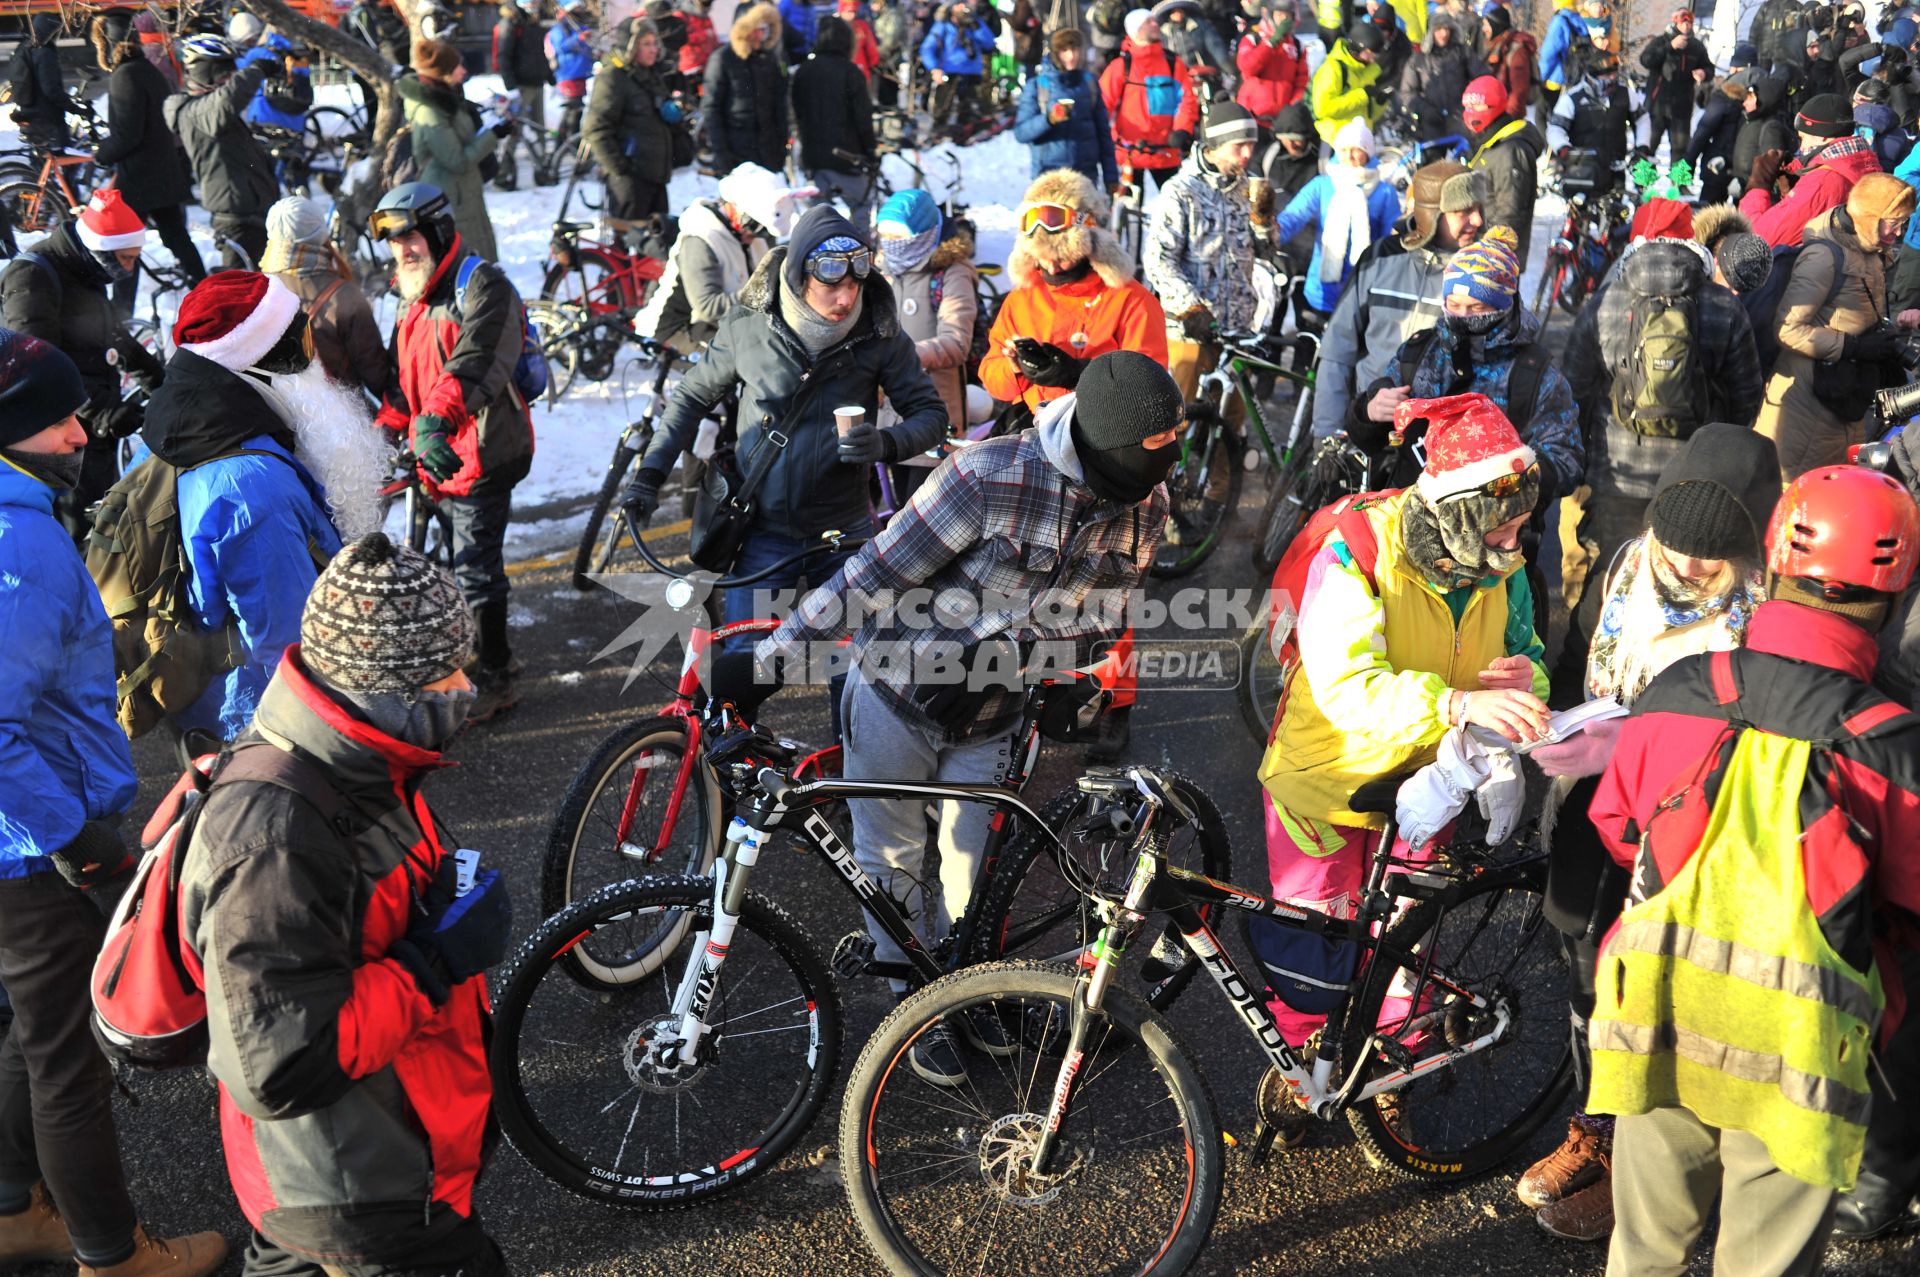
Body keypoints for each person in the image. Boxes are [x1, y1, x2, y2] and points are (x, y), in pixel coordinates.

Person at [747, 351, 1178, 1084]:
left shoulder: (1149, 502)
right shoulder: (986, 475)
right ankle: (909, 1008)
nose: (1128, 503)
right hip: (895, 693)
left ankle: (965, 989)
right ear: (1084, 445)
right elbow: (874, 573)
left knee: (971, 876)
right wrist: (769, 664)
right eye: (1115, 486)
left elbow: (1107, 620)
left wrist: (1013, 658)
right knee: (889, 862)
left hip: (995, 716)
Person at [1586, 464, 1920, 1276]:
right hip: (1798, 1050)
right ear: (1898, 590)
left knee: (1644, 1249)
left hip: (1658, 1011)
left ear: (1770, 560)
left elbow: (1616, 827)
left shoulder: (1678, 691)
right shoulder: (1892, 745)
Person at [181, 533, 509, 1277]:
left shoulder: (354, 760)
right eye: (444, 672)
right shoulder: (277, 837)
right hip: (359, 1194)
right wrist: (433, 962)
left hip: (363, 1164)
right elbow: (277, 1062)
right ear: (381, 689)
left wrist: (436, 905)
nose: (464, 686)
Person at [0, 331, 229, 1277]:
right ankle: (112, 1253)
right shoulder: (19, 545)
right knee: (68, 1063)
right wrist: (73, 836)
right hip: (34, 853)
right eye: (55, 420)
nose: (77, 431)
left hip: (26, 846)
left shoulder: (23, 516)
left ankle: (16, 1210)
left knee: (24, 1035)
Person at [1517, 425, 1780, 1246]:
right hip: (1596, 795)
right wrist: (1555, 723)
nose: (1686, 564)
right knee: (1578, 955)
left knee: (1656, 992)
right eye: (1676, 542)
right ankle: (1595, 1111)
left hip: (1690, 832)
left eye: (1711, 555)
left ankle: (1615, 1149)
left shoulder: (1770, 611)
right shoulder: (1629, 561)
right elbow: (1576, 653)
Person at [1257, 392, 1549, 1121]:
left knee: (1404, 939)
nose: (1518, 541)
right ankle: (1304, 1070)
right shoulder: (1354, 554)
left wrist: (1524, 680)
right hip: (1324, 783)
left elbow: (1532, 659)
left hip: (1429, 785)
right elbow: (1346, 685)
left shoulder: (1503, 564)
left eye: (1522, 523)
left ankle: (1393, 1059)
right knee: (1315, 940)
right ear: (1456, 512)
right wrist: (1454, 705)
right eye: (1503, 524)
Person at [621, 205, 950, 737]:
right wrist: (648, 476)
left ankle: (852, 793)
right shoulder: (751, 323)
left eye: (855, 287)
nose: (846, 301)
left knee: (858, 682)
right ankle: (732, 797)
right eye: (831, 289)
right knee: (739, 680)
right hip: (763, 534)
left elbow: (933, 416)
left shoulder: (879, 330)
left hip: (844, 534)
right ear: (799, 276)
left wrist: (885, 443)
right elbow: (690, 399)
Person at [142, 271, 391, 748]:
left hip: (239, 707)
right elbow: (287, 645)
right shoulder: (250, 489)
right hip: (267, 724)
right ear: (259, 358)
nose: (313, 358)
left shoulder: (200, 426)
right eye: (299, 341)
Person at [1558, 201, 1766, 698]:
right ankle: (1674, 694)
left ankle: (1578, 691)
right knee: (1691, 589)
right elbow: (1746, 395)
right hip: (1695, 486)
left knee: (1615, 581)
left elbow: (1575, 386)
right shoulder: (1721, 304)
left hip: (1620, 475)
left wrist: (1590, 462)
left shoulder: (1607, 301)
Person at [370, 185, 533, 723]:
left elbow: (476, 363)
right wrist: (384, 434)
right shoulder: (410, 293)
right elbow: (403, 383)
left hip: (482, 453)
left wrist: (436, 424)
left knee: (476, 570)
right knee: (440, 564)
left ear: (438, 231)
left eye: (411, 238)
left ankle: (497, 675)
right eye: (395, 244)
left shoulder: (484, 286)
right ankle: (458, 657)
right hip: (435, 455)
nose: (403, 252)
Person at [1345, 227, 1580, 504]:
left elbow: (1567, 462)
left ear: (1504, 306)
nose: (1462, 317)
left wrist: (1505, 475)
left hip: (1495, 533)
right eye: (1454, 304)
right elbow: (1371, 440)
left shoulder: (1536, 375)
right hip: (1406, 522)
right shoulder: (1420, 352)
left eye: (1477, 308)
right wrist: (1369, 411)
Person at [1, 189, 165, 539]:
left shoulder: (85, 267)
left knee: (103, 520)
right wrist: (102, 411)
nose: (129, 268)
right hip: (54, 433)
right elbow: (35, 365)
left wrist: (160, 380)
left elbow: (111, 334)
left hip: (89, 422)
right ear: (100, 249)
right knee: (80, 528)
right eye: (124, 258)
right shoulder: (33, 277)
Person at [1758, 172, 1919, 479]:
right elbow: (1787, 329)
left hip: (1844, 398)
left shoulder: (1870, 251)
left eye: (1904, 223)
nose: (1899, 233)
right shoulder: (1823, 257)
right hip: (1806, 403)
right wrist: (1854, 346)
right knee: (1796, 495)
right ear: (1868, 217)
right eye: (1893, 222)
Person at [1311, 160, 1485, 440]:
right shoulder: (1380, 258)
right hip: (1366, 426)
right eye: (1464, 211)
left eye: (1478, 209)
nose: (1477, 220)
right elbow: (1336, 352)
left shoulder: (1483, 273)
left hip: (1439, 442)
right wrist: (1329, 435)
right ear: (1432, 215)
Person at [979, 168, 1168, 423]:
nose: (1052, 268)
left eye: (1062, 258)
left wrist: (1080, 374)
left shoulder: (1131, 301)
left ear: (1090, 244)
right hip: (1036, 428)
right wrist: (1014, 368)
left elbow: (1148, 385)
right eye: (1041, 258)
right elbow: (993, 381)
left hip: (1104, 436)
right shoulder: (1022, 297)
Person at [1143, 99, 1267, 399]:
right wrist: (1192, 308)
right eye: (1240, 146)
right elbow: (1158, 260)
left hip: (1237, 330)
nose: (1248, 154)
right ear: (1215, 145)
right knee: (1181, 422)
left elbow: (1264, 249)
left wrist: (1265, 223)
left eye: (1251, 144)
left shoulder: (1246, 186)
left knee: (1230, 424)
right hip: (1192, 331)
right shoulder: (1181, 190)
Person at [91, 10, 203, 314]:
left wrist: (102, 153)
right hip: (163, 172)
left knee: (124, 246)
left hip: (140, 178)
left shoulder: (125, 76)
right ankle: (206, 290)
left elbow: (127, 135)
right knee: (177, 239)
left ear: (106, 44)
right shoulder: (147, 70)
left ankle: (122, 313)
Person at [633, 161, 803, 354]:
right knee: (751, 363)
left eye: (762, 231)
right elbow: (708, 307)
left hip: (731, 324)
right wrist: (758, 292)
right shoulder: (702, 237)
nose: (754, 236)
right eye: (753, 227)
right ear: (736, 209)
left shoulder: (756, 233)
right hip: (680, 328)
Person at [261, 196, 393, 404]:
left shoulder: (259, 291)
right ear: (320, 234)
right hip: (340, 419)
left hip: (282, 416)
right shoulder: (343, 295)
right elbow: (377, 373)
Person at [164, 34, 279, 270]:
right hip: (236, 221)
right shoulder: (196, 111)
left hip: (253, 215)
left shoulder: (209, 110)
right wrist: (256, 70)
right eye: (225, 73)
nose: (231, 79)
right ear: (205, 73)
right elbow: (227, 100)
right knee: (240, 296)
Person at [876, 188, 978, 448]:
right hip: (886, 416)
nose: (890, 242)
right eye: (884, 234)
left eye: (898, 235)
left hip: (935, 412)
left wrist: (901, 357)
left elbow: (956, 342)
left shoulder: (952, 274)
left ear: (923, 234)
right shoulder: (882, 273)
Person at [1270, 118, 1399, 319]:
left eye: (1357, 149)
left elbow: (1389, 242)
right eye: (1344, 149)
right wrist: (1272, 234)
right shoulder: (1323, 185)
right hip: (1321, 289)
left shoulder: (1384, 193)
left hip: (1363, 288)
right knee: (1309, 346)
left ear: (1368, 152)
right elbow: (1294, 216)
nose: (1349, 156)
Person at [399, 40, 506, 264]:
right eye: (457, 66)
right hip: (450, 200)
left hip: (464, 194)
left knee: (480, 259)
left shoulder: (449, 100)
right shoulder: (430, 112)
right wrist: (492, 136)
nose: (463, 70)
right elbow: (456, 160)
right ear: (443, 73)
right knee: (464, 264)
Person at [1741, 92, 1883, 247]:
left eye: (1803, 138)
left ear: (1823, 136)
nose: (1802, 147)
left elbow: (1757, 238)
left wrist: (1759, 185)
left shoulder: (1823, 181)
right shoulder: (1863, 161)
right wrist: (1793, 185)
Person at [584, 17, 679, 225]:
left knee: (657, 248)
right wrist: (620, 169)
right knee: (628, 250)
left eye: (655, 43)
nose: (653, 49)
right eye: (646, 43)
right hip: (630, 182)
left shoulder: (651, 74)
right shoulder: (614, 77)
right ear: (631, 45)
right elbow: (595, 128)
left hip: (655, 176)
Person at [1101, 9, 1200, 188]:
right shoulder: (1121, 67)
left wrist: (1182, 130)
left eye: (1154, 21)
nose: (1155, 25)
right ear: (1135, 30)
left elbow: (1187, 100)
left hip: (1166, 151)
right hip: (1129, 153)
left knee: (1175, 208)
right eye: (1148, 22)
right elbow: (1102, 106)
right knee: (1126, 210)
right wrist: (1107, 138)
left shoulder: (1172, 62)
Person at [795, 15, 878, 228]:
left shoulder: (803, 71)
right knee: (861, 206)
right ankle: (861, 253)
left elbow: (798, 115)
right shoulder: (851, 72)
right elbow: (863, 117)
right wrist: (870, 151)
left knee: (818, 219)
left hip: (815, 157)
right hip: (847, 156)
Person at [1015, 27, 1119, 187]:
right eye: (1065, 50)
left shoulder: (1090, 83)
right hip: (1049, 177)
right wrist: (1049, 119)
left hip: (1085, 177)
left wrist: (1111, 178)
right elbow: (1021, 133)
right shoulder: (1037, 86)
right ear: (1056, 54)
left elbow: (1104, 134)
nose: (1071, 56)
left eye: (1075, 49)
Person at [1462, 76, 1544, 269]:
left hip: (1495, 258)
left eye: (1476, 107)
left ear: (1492, 106)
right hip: (1478, 246)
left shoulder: (1510, 151)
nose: (1470, 113)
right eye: (1467, 107)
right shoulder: (1488, 142)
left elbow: (1510, 212)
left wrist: (1492, 255)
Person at [705, 2, 790, 174]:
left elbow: (778, 107)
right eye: (756, 29)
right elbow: (711, 108)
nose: (760, 36)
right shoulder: (723, 59)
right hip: (736, 152)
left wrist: (781, 146)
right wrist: (721, 153)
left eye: (764, 29)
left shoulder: (769, 59)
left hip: (768, 154)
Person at [1546, 51, 1648, 189]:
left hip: (1616, 169)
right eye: (1607, 75)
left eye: (1614, 74)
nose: (1612, 79)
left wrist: (1642, 146)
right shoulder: (1572, 98)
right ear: (1593, 76)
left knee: (1617, 209)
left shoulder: (1626, 94)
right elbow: (1555, 128)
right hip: (1582, 170)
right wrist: (1564, 149)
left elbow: (1642, 119)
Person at [1637, 7, 1712, 163]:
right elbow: (1646, 60)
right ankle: (1642, 183)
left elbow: (1709, 67)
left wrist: (1703, 73)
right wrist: (1670, 46)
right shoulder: (1661, 41)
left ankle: (1679, 184)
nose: (1686, 26)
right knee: (1648, 147)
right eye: (1682, 23)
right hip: (1657, 105)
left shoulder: (1696, 47)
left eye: (1689, 23)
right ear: (1675, 23)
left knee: (1681, 151)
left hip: (1681, 107)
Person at [492, 0, 553, 191]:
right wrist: (511, 85)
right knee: (515, 131)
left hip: (537, 83)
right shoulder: (511, 22)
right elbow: (503, 56)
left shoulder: (535, 20)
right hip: (520, 85)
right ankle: (504, 174)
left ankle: (542, 169)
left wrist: (551, 78)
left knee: (540, 129)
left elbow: (539, 53)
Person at [920, 1, 997, 137]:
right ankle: (939, 133)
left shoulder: (975, 23)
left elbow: (989, 43)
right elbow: (927, 49)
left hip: (972, 73)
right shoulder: (943, 25)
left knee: (969, 110)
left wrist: (976, 26)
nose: (964, 7)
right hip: (949, 72)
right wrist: (934, 68)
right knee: (943, 108)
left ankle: (966, 133)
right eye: (959, 4)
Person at [7, 15, 76, 151]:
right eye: (55, 32)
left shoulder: (24, 48)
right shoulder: (44, 53)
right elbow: (51, 90)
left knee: (42, 163)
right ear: (49, 31)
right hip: (48, 120)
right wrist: (74, 108)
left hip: (30, 114)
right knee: (67, 161)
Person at [1308, 21, 1385, 145]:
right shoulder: (1333, 69)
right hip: (1336, 141)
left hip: (1359, 143)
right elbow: (1322, 109)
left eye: (1376, 55)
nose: (1373, 59)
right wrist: (1362, 95)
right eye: (1370, 53)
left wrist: (1380, 103)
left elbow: (1366, 115)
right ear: (1357, 47)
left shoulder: (1367, 70)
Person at [1397, 12, 1472, 139]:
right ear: (1431, 32)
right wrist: (1425, 110)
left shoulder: (1462, 53)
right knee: (1434, 158)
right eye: (1439, 29)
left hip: (1460, 121)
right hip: (1431, 125)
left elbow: (1482, 77)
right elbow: (1406, 93)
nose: (1444, 34)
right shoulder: (1417, 60)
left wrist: (1470, 103)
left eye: (1447, 29)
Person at [1235, 0, 1308, 123]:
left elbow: (1301, 82)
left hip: (1281, 117)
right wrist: (1271, 43)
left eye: (1287, 15)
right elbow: (1247, 68)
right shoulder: (1253, 39)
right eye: (1279, 15)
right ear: (1271, 15)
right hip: (1253, 115)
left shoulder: (1297, 46)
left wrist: (1291, 109)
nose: (1284, 19)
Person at [1160, 1, 1236, 99]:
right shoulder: (1164, 33)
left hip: (1203, 73)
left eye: (1180, 11)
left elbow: (1216, 48)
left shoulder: (1200, 26)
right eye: (1174, 12)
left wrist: (1229, 70)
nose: (1178, 14)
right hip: (1178, 77)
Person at [546, 0, 596, 142]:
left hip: (580, 74)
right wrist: (579, 38)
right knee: (572, 110)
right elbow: (561, 47)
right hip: (568, 75)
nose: (579, 10)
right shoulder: (559, 28)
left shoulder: (578, 26)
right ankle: (566, 142)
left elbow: (585, 48)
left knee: (575, 110)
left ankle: (567, 142)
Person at [1481, 2, 1536, 119]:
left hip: (1508, 115)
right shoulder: (1497, 45)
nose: (1483, 29)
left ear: (1496, 25)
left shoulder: (1517, 50)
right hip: (1497, 111)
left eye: (1486, 25)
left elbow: (1519, 91)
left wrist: (1509, 117)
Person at [873, 0, 909, 104]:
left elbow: (891, 40)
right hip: (882, 55)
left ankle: (890, 109)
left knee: (888, 87)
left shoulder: (892, 15)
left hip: (889, 57)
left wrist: (877, 53)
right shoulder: (882, 14)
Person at [837, 0, 882, 81]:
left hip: (860, 73)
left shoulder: (862, 26)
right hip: (840, 74)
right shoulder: (834, 27)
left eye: (854, 12)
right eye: (849, 12)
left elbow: (872, 50)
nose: (852, 15)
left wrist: (873, 64)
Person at [680, 0, 720, 84]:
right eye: (703, 3)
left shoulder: (706, 19)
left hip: (709, 71)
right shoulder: (681, 17)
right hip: (690, 73)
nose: (706, 7)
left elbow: (715, 43)